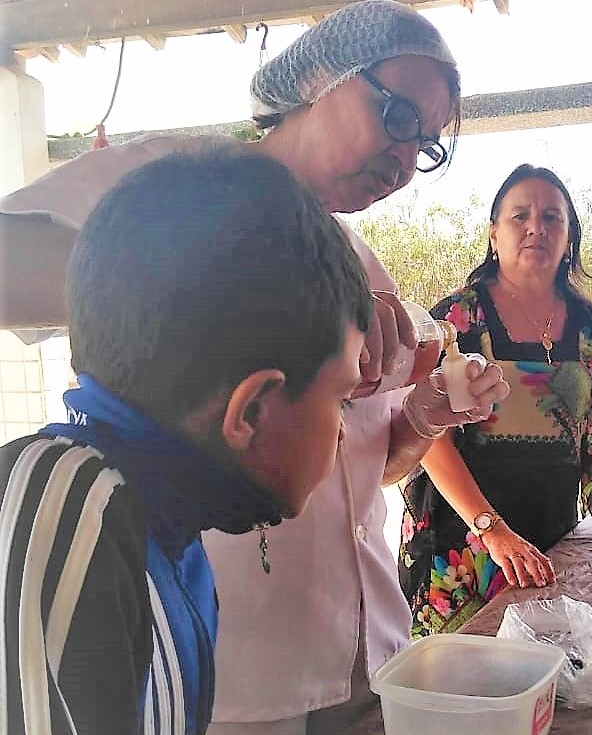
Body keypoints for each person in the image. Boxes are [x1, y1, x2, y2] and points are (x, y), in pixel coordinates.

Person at [0, 2, 509, 732]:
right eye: (399, 116)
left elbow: (369, 471)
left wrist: (427, 412)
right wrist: (253, 286)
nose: (405, 157)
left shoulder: (358, 262)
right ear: (320, 79)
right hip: (236, 680)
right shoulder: (177, 182)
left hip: (369, 654)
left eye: (425, 144)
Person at [0, 148, 372, 734]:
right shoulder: (68, 505)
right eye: (340, 398)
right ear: (249, 411)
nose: (343, 427)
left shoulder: (165, 526)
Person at [399, 163, 592, 637]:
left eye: (551, 218)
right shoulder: (458, 318)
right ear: (494, 234)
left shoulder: (586, 322)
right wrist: (492, 530)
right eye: (519, 216)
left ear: (569, 236)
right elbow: (431, 438)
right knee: (463, 676)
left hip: (552, 534)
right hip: (463, 544)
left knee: (553, 671)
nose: (535, 228)